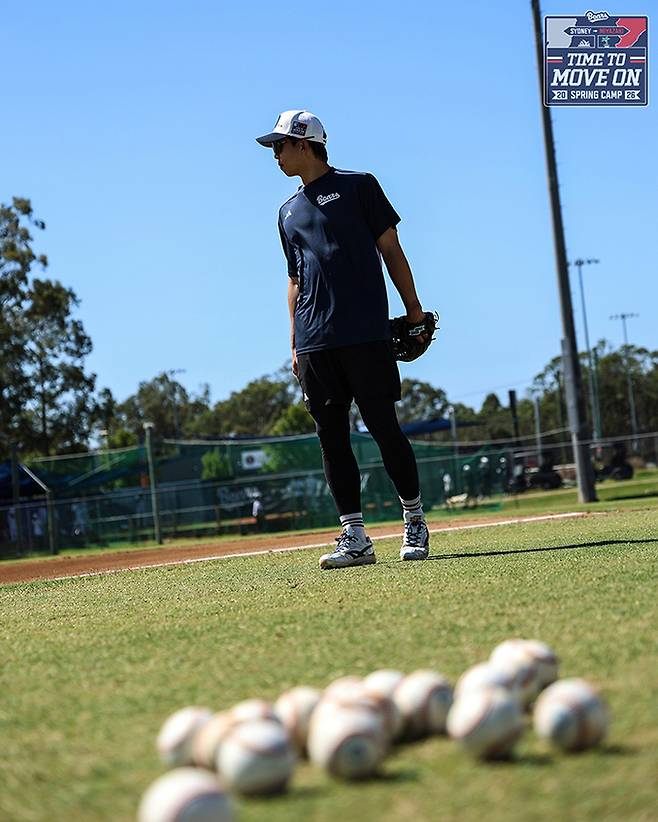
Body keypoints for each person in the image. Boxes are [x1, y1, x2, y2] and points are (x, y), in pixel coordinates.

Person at [256, 110, 432, 570]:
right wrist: (294, 342)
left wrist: (413, 309)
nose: (275, 154)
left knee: (383, 426)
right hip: (316, 340)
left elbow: (391, 249)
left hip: (364, 332)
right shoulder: (286, 212)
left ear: (304, 143)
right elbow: (295, 279)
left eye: (280, 144)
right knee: (331, 438)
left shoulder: (359, 186)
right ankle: (354, 536)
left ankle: (413, 519)